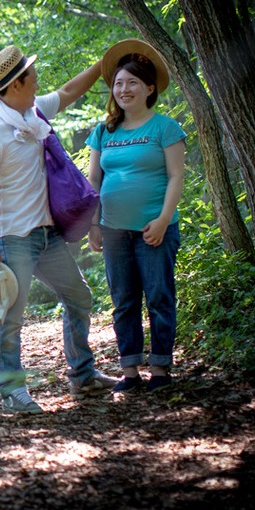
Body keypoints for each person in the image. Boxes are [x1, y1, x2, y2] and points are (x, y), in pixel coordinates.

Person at [0, 44, 117, 414]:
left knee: (79, 298)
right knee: (11, 318)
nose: (38, 82)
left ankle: (83, 375)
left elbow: (69, 92)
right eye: (32, 76)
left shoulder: (33, 113)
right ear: (17, 83)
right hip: (12, 239)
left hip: (47, 236)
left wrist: (103, 64)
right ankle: (13, 392)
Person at [86, 39, 186, 393]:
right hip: (113, 231)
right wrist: (92, 224)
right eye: (118, 83)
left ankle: (160, 370)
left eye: (131, 82)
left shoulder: (165, 128)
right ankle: (130, 372)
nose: (123, 89)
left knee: (159, 297)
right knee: (124, 301)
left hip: (154, 230)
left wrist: (162, 220)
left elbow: (176, 176)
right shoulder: (103, 131)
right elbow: (94, 180)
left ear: (149, 88)